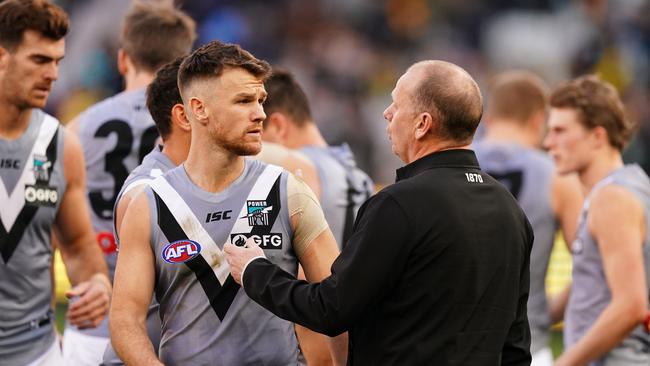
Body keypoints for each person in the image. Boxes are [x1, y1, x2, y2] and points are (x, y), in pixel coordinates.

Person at [225, 60, 535, 365]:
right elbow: (515, 346)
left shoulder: (400, 204)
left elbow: (330, 309)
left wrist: (255, 271)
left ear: (422, 124)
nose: (387, 114)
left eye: (396, 104)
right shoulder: (510, 210)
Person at [110, 40, 346, 365]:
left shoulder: (289, 191)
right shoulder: (149, 203)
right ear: (198, 109)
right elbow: (126, 320)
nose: (260, 113)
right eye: (244, 101)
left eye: (261, 100)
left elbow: (337, 304)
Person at [64, 2, 195, 364]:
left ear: (123, 60)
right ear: (185, 64)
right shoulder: (196, 122)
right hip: (173, 320)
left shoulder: (78, 128)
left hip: (96, 310)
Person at [0, 1, 111, 365]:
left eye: (57, 61)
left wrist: (96, 282)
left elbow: (79, 246)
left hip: (39, 353)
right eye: (39, 60)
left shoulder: (61, 146)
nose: (53, 75)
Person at [261, 68, 372, 365]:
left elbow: (308, 284)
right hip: (361, 332)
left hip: (321, 341)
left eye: (257, 129)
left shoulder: (295, 170)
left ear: (278, 125)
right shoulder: (356, 173)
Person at [472, 70, 583, 366]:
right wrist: (546, 313)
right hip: (527, 345)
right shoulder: (558, 176)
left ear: (487, 118)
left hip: (454, 346)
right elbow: (591, 266)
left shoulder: (445, 163)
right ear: (538, 120)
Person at [544, 75, 650, 366]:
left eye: (560, 131)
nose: (548, 142)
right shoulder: (629, 184)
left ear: (597, 136)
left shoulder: (612, 198)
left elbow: (631, 306)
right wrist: (536, 318)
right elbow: (592, 279)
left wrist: (563, 364)